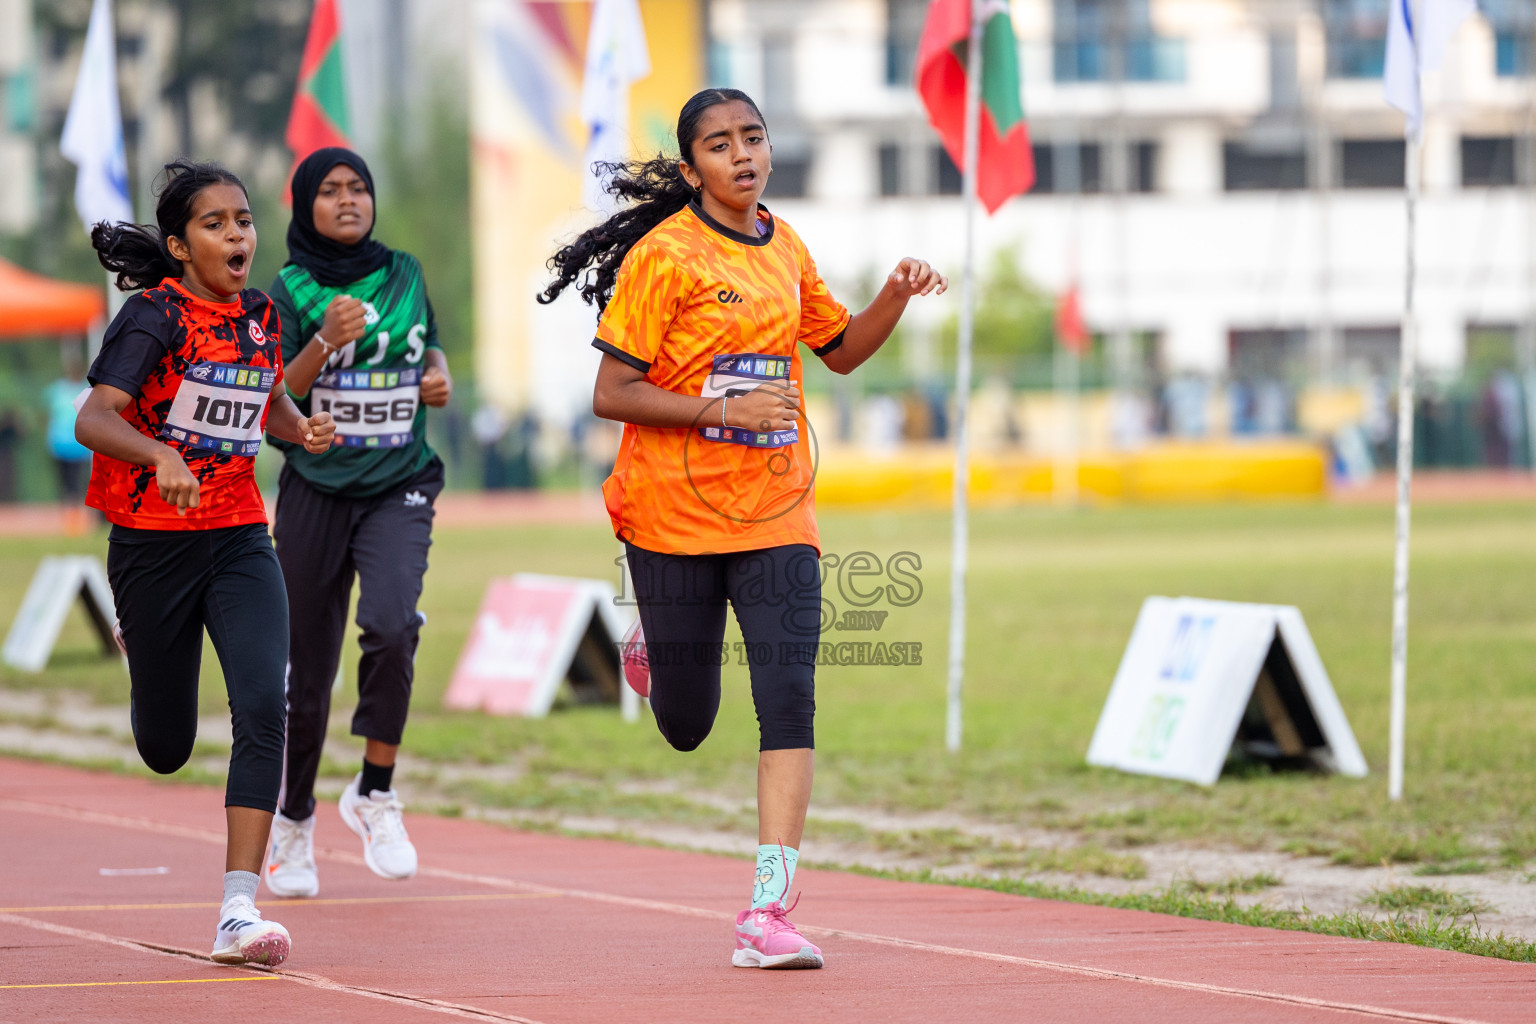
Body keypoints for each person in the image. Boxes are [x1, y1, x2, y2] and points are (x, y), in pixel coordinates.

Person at [539, 87, 945, 970]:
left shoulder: (785, 243)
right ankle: (651, 634)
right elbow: (612, 394)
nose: (743, 155)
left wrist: (896, 294)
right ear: (692, 169)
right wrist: (718, 405)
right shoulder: (664, 256)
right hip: (672, 519)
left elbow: (838, 351)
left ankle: (768, 909)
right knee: (685, 723)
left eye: (753, 138)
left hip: (777, 511)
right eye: (720, 145)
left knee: (789, 701)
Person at [74, 159, 335, 967]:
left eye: (244, 221)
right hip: (151, 545)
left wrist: (299, 429)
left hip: (238, 537)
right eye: (216, 224)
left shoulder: (260, 314)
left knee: (266, 702)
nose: (237, 235)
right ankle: (143, 641)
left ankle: (237, 911)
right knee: (165, 746)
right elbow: (94, 418)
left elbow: (263, 400)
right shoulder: (153, 317)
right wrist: (159, 455)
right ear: (181, 247)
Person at [261, 148, 452, 898]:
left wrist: (437, 375)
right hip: (315, 490)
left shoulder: (404, 271)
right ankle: (295, 820)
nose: (348, 200)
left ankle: (374, 790)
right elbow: (271, 399)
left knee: (394, 624)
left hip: (400, 481)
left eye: (360, 188)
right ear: (306, 204)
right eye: (331, 191)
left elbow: (426, 344)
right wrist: (322, 341)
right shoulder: (290, 287)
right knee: (306, 674)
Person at [46, 343, 94, 533]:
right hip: (59, 444)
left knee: (76, 482)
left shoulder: (85, 389)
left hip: (79, 445)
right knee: (64, 482)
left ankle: (75, 520)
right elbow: (50, 414)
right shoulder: (56, 389)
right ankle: (68, 518)